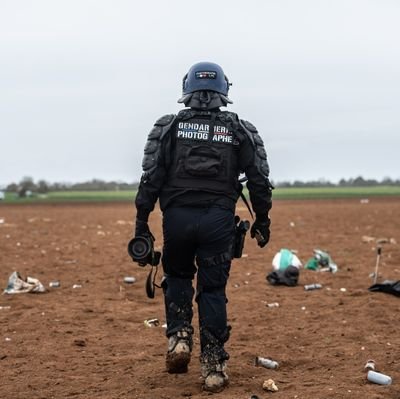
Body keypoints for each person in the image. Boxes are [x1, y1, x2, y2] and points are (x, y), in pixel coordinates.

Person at [134, 61, 273, 392]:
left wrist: (142, 224)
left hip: (177, 220)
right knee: (212, 291)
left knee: (178, 276)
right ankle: (213, 366)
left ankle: (179, 337)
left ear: (188, 92)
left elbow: (150, 179)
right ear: (224, 92)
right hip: (218, 222)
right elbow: (260, 182)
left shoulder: (168, 127)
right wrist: (262, 221)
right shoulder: (241, 129)